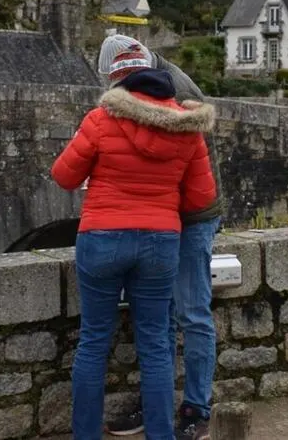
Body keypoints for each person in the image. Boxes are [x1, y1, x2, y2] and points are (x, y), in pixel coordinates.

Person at [51, 44, 217, 440]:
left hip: (102, 238)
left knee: (93, 342)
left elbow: (64, 176)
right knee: (156, 345)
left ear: (117, 81)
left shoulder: (99, 119)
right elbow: (200, 199)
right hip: (160, 242)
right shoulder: (187, 126)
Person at [96, 34, 221, 440]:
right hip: (163, 214)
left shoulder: (176, 91)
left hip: (191, 215)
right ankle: (157, 403)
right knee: (159, 314)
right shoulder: (148, 81)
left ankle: (196, 409)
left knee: (192, 313)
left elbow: (182, 160)